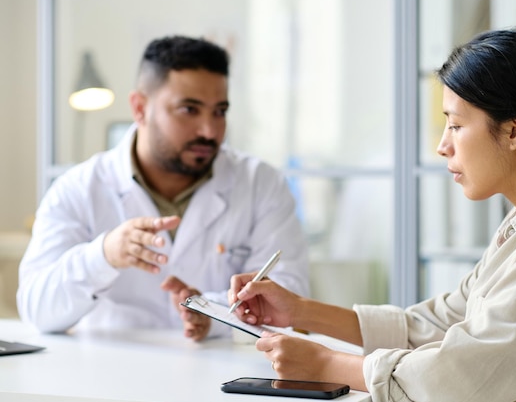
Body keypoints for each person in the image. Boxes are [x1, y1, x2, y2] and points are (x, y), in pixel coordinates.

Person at [228, 27, 516, 401]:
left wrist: (326, 364)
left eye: (455, 125)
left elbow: (466, 371)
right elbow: (442, 323)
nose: (442, 146)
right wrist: (300, 311)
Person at [17, 35, 309, 341]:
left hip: (222, 377)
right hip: (105, 379)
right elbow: (37, 310)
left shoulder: (261, 184)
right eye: (189, 110)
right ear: (140, 108)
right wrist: (103, 256)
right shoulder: (78, 188)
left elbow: (291, 295)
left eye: (219, 111)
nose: (209, 131)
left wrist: (213, 313)